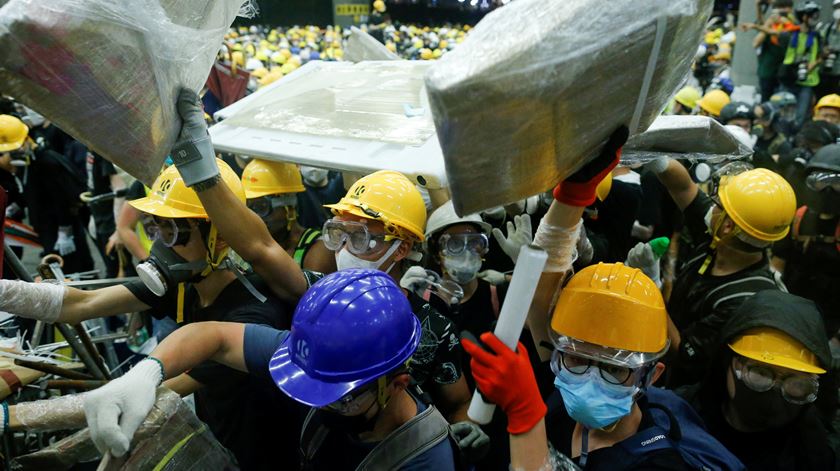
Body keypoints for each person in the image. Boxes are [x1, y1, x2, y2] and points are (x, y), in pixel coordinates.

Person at [162, 88, 485, 456]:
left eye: (362, 238)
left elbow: (458, 402)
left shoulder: (433, 327)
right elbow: (261, 249)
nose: (346, 251)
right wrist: (202, 172)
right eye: (340, 235)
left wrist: (466, 428)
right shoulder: (327, 300)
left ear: (405, 247)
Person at [0, 161, 301, 470]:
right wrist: (4, 292)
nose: (158, 245)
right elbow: (82, 304)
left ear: (220, 238)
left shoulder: (249, 313)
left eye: (171, 231)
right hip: (219, 432)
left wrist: (12, 418)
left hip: (260, 453)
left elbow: (149, 397)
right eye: (153, 227)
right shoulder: (185, 285)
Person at [80, 269, 459, 470]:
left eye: (341, 400)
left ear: (396, 383)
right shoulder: (321, 362)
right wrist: (146, 375)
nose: (325, 406)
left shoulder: (422, 461)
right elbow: (215, 336)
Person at [463, 263, 744, 471]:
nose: (589, 380)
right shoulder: (562, 408)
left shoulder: (659, 464)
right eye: (578, 358)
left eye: (614, 369)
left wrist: (524, 413)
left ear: (651, 376)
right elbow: (540, 304)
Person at [645, 157, 796, 388]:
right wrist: (656, 158)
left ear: (727, 225)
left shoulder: (743, 301)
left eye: (718, 205)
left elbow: (681, 352)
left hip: (687, 394)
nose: (711, 207)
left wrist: (649, 289)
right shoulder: (721, 238)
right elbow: (682, 186)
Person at [678, 290, 835, 470]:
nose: (773, 393)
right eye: (760, 373)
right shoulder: (676, 416)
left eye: (796, 383)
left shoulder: (815, 454)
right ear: (728, 362)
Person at [2, 114, 95, 275]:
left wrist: (64, 231)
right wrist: (16, 206)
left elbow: (61, 198)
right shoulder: (28, 163)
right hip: (45, 225)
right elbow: (30, 191)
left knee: (71, 268)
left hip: (60, 227)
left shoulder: (46, 162)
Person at [772, 143, 840, 340]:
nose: (828, 190)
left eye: (837, 183)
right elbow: (777, 266)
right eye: (819, 181)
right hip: (792, 312)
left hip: (832, 322)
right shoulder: (798, 218)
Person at [241, 159, 335, 273]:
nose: (254, 216)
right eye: (248, 207)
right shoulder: (248, 243)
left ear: (289, 207)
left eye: (261, 207)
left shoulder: (318, 250)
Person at [742, 0, 796, 102]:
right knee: (766, 100)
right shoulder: (769, 26)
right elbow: (756, 42)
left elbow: (782, 34)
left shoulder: (792, 24)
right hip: (767, 71)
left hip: (785, 72)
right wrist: (767, 21)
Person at [85, 152, 127, 278]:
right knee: (110, 267)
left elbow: (120, 190)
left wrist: (118, 229)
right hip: (99, 216)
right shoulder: (90, 148)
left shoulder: (102, 151)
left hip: (110, 222)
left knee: (121, 270)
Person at [782, 1, 822, 127]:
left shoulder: (817, 37)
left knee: (801, 115)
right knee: (784, 112)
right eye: (813, 16)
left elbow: (820, 56)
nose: (815, 19)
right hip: (790, 79)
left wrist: (813, 64)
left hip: (808, 81)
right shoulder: (790, 34)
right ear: (804, 17)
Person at [296, 165, 345, 230]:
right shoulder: (296, 192)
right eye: (308, 164)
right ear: (298, 166)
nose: (314, 169)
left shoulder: (339, 186)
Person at [752, 102, 794, 171]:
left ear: (768, 121)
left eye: (758, 118)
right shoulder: (753, 136)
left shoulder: (782, 145)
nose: (754, 122)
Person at [818, 0, 840, 99]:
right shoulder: (828, 27)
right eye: (836, 7)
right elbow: (819, 43)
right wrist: (824, 50)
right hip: (825, 71)